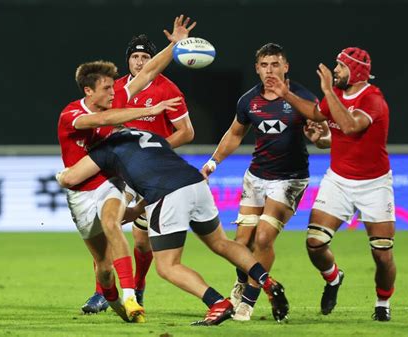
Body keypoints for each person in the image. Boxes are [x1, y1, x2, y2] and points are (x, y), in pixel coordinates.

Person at [56, 128, 290, 325]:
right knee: (221, 242)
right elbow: (154, 168)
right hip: (196, 183)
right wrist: (137, 210)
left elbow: (72, 178)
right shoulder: (149, 135)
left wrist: (60, 176)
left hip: (167, 194)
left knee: (167, 266)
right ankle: (267, 282)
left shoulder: (106, 148)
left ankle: (217, 303)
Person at [57, 15, 196, 322]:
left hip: (112, 179)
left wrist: (175, 45)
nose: (115, 91)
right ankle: (108, 294)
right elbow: (102, 121)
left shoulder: (120, 96)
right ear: (89, 92)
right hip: (81, 192)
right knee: (103, 266)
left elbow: (149, 72)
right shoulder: (71, 115)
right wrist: (147, 109)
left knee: (112, 223)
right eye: (107, 88)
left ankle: (132, 297)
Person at [200, 43, 330, 321]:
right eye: (264, 65)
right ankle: (242, 280)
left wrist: (321, 140)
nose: (270, 70)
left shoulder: (302, 97)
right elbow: (235, 134)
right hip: (256, 178)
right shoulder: (248, 101)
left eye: (275, 64)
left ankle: (248, 301)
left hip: (290, 179)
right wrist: (212, 163)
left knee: (263, 237)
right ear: (257, 69)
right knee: (241, 241)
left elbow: (326, 135)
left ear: (286, 67)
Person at [265, 47, 396, 321]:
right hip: (338, 181)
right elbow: (317, 114)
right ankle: (334, 278)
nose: (335, 70)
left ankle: (383, 302)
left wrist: (326, 90)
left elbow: (349, 126)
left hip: (374, 184)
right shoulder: (335, 95)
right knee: (314, 243)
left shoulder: (373, 98)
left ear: (356, 71)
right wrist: (287, 95)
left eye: (340, 66)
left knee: (382, 254)